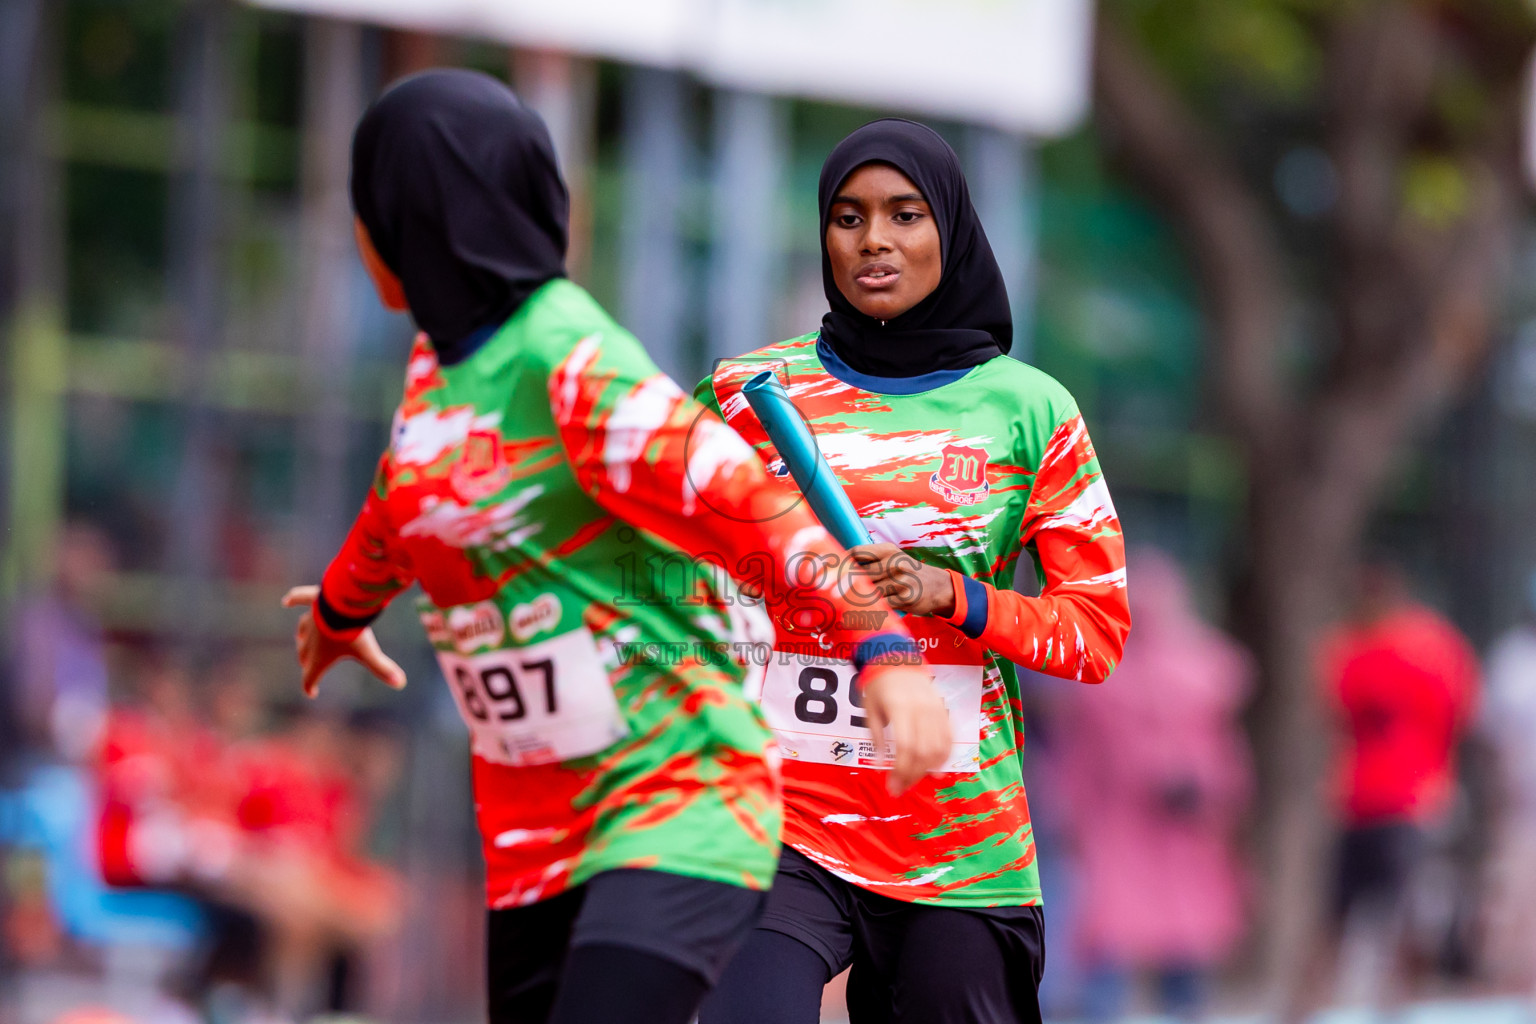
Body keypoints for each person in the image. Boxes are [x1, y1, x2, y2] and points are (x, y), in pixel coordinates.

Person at [280, 71, 949, 1024]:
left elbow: (748, 498)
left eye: (365, 210)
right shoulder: (440, 367)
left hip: (676, 805)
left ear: (411, 219)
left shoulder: (571, 364)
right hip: (532, 840)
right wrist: (342, 610)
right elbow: (404, 498)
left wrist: (883, 648)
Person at [696, 118, 1131, 1024]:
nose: (875, 242)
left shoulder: (1032, 412)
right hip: (779, 817)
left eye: (905, 214)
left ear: (952, 230)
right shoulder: (747, 395)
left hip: (957, 842)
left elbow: (1095, 636)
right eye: (848, 218)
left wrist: (956, 596)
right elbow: (667, 564)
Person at [1050, 550, 1252, 1021]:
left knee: (1169, 951)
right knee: (1120, 945)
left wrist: (1207, 787)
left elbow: (1221, 751)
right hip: (1123, 830)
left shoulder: (1197, 670)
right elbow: (1076, 761)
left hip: (1169, 834)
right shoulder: (1114, 673)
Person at [1319, 558, 1479, 1006]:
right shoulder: (1355, 646)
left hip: (1409, 800)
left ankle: (1397, 1006)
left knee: (1405, 915)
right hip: (1368, 799)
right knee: (1345, 917)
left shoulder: (1416, 646)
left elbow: (1456, 715)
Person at [1477, 570, 1536, 991]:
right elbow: (1491, 736)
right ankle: (1504, 979)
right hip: (1521, 801)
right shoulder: (1512, 658)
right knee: (1511, 893)